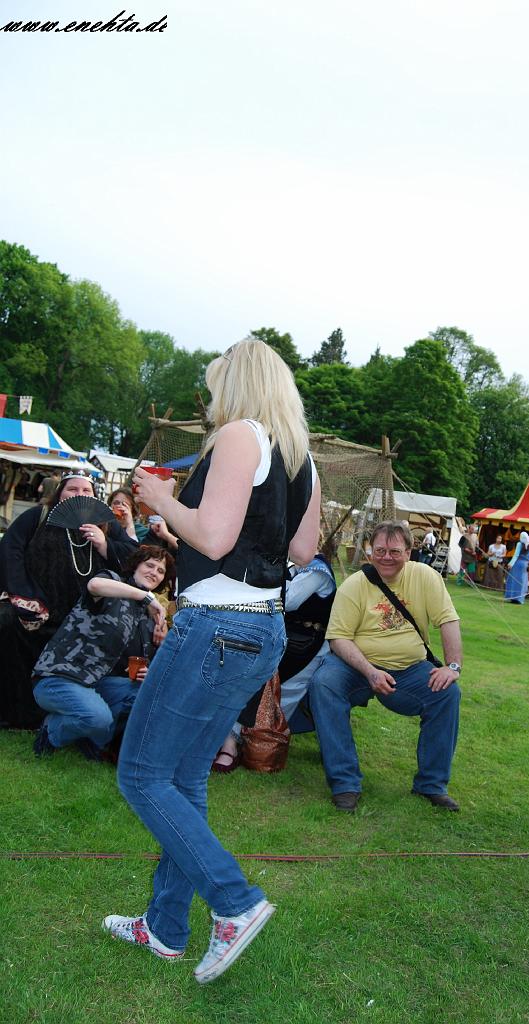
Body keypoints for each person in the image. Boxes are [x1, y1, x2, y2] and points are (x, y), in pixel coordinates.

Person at [103, 336, 320, 984]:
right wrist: (190, 519)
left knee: (141, 775)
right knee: (185, 778)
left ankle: (234, 901)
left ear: (237, 384)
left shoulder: (238, 435)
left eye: (217, 383)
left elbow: (217, 538)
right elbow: (303, 551)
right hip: (262, 629)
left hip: (216, 626)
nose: (212, 396)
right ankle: (165, 927)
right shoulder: (301, 457)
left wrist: (160, 499)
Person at [309, 520, 462, 813]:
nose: (386, 557)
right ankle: (345, 783)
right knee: (324, 684)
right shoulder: (354, 585)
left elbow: (448, 620)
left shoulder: (426, 577)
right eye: (379, 550)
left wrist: (452, 667)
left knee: (446, 694)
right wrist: (370, 671)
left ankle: (431, 785)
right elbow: (338, 639)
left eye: (394, 551)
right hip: (356, 666)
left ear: (409, 552)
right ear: (370, 550)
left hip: (408, 669)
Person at [0, 470, 138, 729]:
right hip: (39, 606)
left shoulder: (106, 524)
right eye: (72, 489)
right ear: (60, 492)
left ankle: (72, 710)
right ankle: (15, 713)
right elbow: (11, 550)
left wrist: (105, 544)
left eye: (86, 490)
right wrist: (25, 594)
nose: (79, 494)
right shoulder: (39, 515)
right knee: (7, 625)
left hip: (84, 615)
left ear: (95, 496)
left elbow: (135, 558)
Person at [32, 546, 173, 760]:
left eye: (160, 571)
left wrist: (158, 648)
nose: (154, 572)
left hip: (95, 683)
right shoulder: (113, 581)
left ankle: (93, 740)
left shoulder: (144, 614)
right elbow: (94, 585)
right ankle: (51, 731)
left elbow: (144, 659)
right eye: (149, 565)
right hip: (58, 677)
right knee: (98, 718)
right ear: (136, 565)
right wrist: (147, 597)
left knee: (148, 693)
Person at [213, 551, 336, 771]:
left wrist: (255, 583)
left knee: (280, 697)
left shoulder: (318, 570)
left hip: (306, 647)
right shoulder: (289, 567)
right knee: (245, 680)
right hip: (281, 637)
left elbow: (288, 599)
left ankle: (256, 742)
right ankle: (230, 741)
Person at [504, 531, 529, 604]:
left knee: (513, 581)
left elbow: (516, 555)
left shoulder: (519, 544)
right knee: (522, 582)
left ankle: (512, 597)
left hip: (517, 564)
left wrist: (510, 564)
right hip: (525, 565)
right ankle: (519, 599)